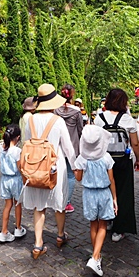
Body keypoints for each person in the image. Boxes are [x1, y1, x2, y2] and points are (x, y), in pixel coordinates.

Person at [21, 84, 76, 259]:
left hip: (35, 167)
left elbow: (26, 143)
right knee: (59, 204)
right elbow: (67, 147)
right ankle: (60, 235)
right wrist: (75, 166)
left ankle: (38, 244)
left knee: (39, 206)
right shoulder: (57, 120)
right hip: (54, 167)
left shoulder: (30, 119)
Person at [93, 88, 139, 242]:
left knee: (105, 191)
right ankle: (119, 229)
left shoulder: (99, 119)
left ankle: (106, 221)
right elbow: (135, 143)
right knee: (123, 193)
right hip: (123, 161)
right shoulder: (128, 120)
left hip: (103, 161)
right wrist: (138, 160)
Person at [74, 125, 118, 277]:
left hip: (89, 194)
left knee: (93, 224)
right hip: (104, 193)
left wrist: (77, 171)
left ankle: (96, 256)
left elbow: (78, 178)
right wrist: (115, 198)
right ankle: (95, 257)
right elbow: (111, 179)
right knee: (103, 225)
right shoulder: (106, 157)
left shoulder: (82, 158)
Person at [0, 124, 27, 242]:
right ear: (17, 137)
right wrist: (25, 180)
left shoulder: (0, 149)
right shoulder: (17, 151)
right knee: (18, 204)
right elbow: (20, 167)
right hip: (16, 179)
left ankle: (4, 231)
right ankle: (18, 228)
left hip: (5, 180)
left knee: (7, 205)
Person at [54, 84, 83, 214]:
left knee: (59, 174)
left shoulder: (55, 110)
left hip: (58, 147)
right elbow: (80, 130)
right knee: (71, 175)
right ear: (72, 95)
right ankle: (66, 202)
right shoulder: (77, 111)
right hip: (73, 147)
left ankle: (57, 199)